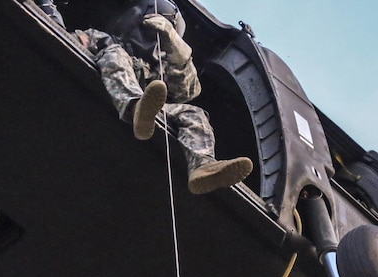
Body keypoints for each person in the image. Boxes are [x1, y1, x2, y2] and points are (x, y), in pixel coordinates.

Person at [49, 0, 253, 194]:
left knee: (194, 114)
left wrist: (177, 48)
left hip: (150, 110)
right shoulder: (108, 42)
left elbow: (188, 92)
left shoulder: (160, 70)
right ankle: (135, 107)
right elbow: (65, 37)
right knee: (114, 54)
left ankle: (203, 166)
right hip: (120, 95)